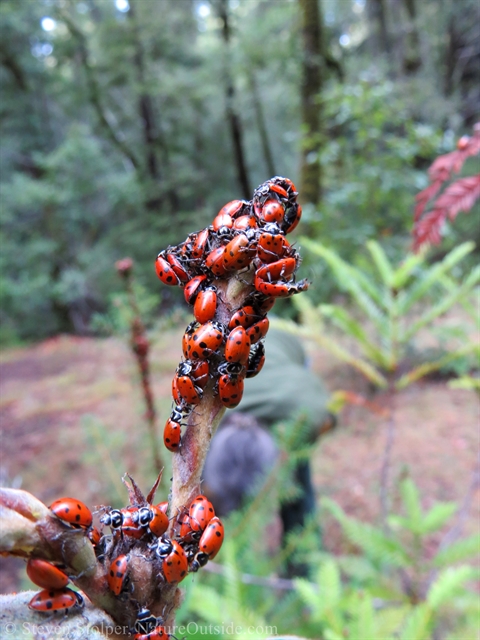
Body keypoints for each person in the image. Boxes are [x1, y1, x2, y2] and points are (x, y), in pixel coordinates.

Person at [202, 327, 335, 575]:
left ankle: (302, 566)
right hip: (234, 343)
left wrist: (290, 450)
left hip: (280, 340)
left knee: (297, 479)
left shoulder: (305, 405)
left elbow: (327, 417)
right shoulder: (197, 418)